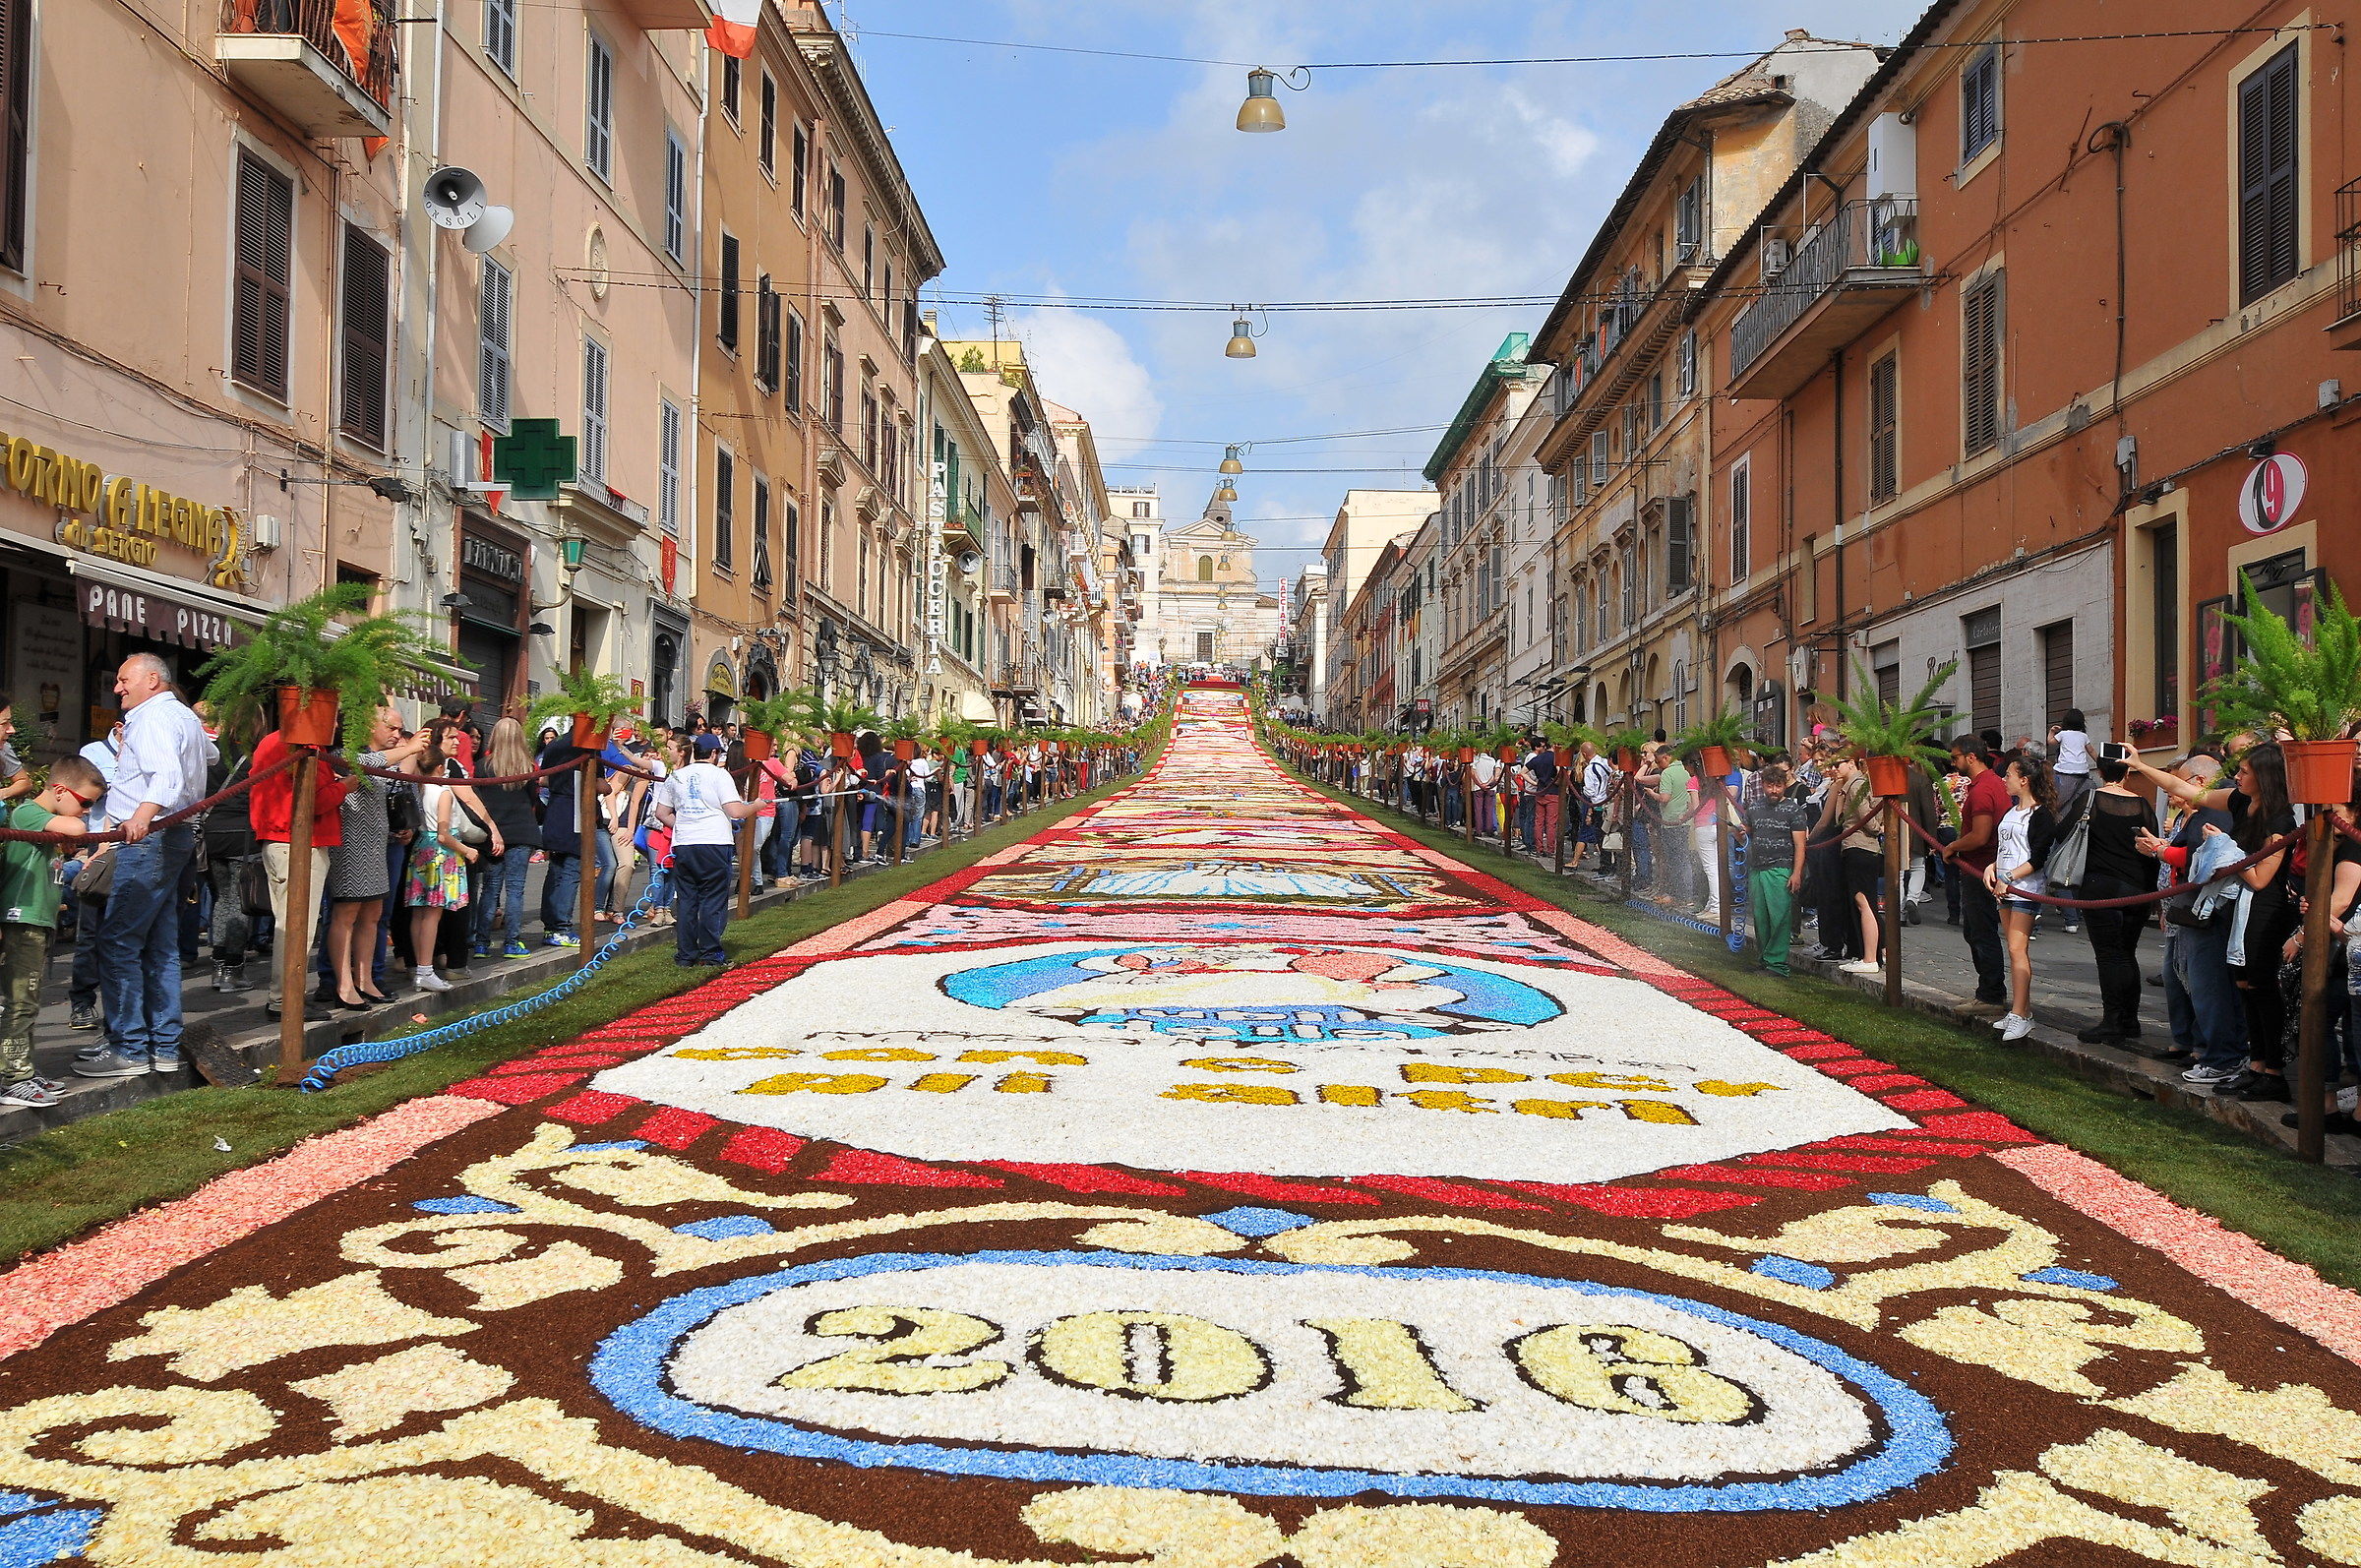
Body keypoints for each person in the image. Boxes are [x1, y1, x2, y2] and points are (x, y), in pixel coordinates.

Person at [81, 655, 213, 1078]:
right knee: (161, 947)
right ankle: (162, 1045)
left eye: (123, 680)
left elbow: (167, 777)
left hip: (149, 838)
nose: (117, 688)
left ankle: (131, 1048)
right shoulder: (181, 716)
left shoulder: (153, 717)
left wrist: (141, 816)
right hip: (172, 836)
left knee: (118, 941)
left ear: (152, 681)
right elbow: (209, 756)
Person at [0, 758, 100, 1108]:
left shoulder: (45, 826)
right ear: (59, 790)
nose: (87, 812)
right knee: (19, 1000)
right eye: (85, 802)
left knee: (28, 1000)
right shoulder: (26, 814)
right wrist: (74, 828)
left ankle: (21, 1068)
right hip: (22, 918)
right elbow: (74, 829)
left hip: (40, 919)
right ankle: (13, 1076)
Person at [246, 705, 353, 1019]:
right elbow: (313, 801)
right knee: (296, 928)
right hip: (298, 842)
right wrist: (344, 786)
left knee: (288, 924)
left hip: (278, 839)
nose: (336, 722)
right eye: (331, 714)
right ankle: (285, 1000)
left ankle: (283, 998)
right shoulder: (303, 747)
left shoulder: (271, 741)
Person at [323, 710, 423, 1008]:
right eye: (390, 727)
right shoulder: (343, 755)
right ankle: (342, 984)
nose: (396, 734)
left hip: (377, 844)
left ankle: (365, 980)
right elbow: (371, 764)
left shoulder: (378, 757)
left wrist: (402, 826)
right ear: (367, 725)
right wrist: (411, 747)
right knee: (346, 915)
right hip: (349, 845)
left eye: (400, 730)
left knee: (373, 914)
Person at [2068, 755, 2160, 1045]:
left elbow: (2064, 831)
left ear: (2099, 771)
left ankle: (2113, 1020)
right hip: (2137, 887)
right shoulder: (2142, 804)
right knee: (2127, 952)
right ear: (2127, 773)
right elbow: (2152, 844)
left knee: (2109, 954)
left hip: (2101, 886)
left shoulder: (2090, 800)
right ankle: (2129, 1019)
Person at [649, 742, 760, 967]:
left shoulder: (677, 776)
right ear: (714, 753)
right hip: (714, 842)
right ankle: (710, 953)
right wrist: (756, 805)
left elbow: (661, 813)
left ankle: (686, 954)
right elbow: (736, 811)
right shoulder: (720, 775)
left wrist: (683, 824)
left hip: (685, 844)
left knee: (687, 900)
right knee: (713, 899)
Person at [1986, 753, 2060, 1043]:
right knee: (2012, 948)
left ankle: (2020, 1014)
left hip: (2024, 888)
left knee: (2018, 949)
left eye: (2009, 776)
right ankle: (2020, 1009)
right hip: (2003, 886)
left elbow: (2038, 857)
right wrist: (1993, 869)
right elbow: (2005, 846)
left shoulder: (2040, 814)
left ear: (2024, 780)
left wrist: (2009, 878)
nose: (2005, 780)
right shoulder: (2010, 811)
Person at [401, 728, 477, 993]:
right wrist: (466, 850)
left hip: (422, 849)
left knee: (419, 912)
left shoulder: (419, 790)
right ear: (441, 767)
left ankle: (419, 967)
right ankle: (425, 969)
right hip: (440, 853)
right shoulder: (443, 792)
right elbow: (444, 834)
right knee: (432, 914)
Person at [1941, 737, 2013, 1010]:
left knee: (1981, 933)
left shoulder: (1983, 789)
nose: (1953, 762)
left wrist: (1953, 846)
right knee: (1976, 931)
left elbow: (1980, 835)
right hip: (1984, 866)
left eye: (1956, 757)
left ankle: (1991, 993)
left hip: (1980, 868)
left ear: (1971, 757)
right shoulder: (1991, 783)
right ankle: (1989, 989)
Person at [472, 717, 542, 959]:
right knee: (516, 889)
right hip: (522, 830)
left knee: (490, 889)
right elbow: (534, 798)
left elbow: (478, 799)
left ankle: (481, 943)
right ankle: (512, 942)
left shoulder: (482, 766)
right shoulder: (528, 767)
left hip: (494, 832)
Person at [1738, 762, 1812, 978]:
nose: (1774, 790)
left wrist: (1796, 873)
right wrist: (1740, 833)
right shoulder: (1754, 808)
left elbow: (1800, 845)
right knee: (1761, 919)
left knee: (1780, 918)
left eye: (1778, 786)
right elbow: (1747, 832)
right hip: (1757, 869)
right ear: (1763, 785)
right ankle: (1764, 960)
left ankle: (1777, 965)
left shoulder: (1794, 810)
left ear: (1783, 786)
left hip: (1781, 869)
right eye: (1770, 785)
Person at [1832, 757, 1886, 976]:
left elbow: (1868, 819)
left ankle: (1871, 957)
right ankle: (1877, 952)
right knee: (1863, 901)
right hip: (1858, 847)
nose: (1834, 768)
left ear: (1853, 763)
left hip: (1860, 847)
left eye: (1839, 763)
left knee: (1863, 900)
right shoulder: (1851, 786)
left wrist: (1877, 827)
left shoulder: (1856, 785)